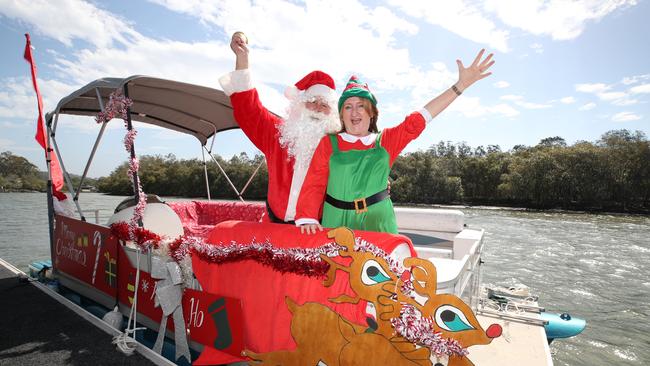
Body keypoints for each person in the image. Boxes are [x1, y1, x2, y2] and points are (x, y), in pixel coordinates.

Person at [296, 49, 494, 234]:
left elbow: (422, 116)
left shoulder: (386, 141)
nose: (355, 112)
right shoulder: (329, 143)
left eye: (361, 106)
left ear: (371, 112)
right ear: (341, 113)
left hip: (378, 222)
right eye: (348, 106)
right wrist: (307, 217)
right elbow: (314, 183)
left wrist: (460, 86)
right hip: (336, 223)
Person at [219, 32, 341, 223]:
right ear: (300, 105)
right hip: (272, 229)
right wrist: (242, 60)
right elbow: (249, 110)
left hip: (316, 234)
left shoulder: (339, 146)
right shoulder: (279, 134)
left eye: (324, 105)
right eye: (312, 101)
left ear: (331, 114)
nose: (317, 108)